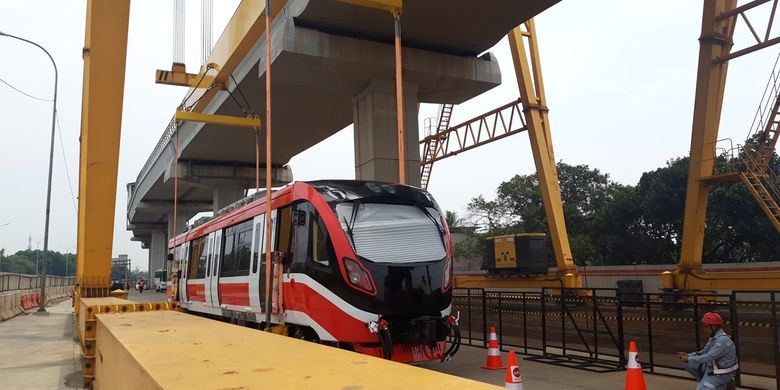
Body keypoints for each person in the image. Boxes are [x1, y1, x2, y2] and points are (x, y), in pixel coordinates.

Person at [677, 312, 738, 390]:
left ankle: (722, 383)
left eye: (706, 327)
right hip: (713, 369)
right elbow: (704, 352)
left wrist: (688, 359)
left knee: (702, 389)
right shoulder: (714, 337)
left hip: (722, 374)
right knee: (687, 363)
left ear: (714, 327)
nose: (704, 329)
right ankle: (709, 382)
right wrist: (689, 356)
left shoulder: (722, 340)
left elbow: (708, 356)